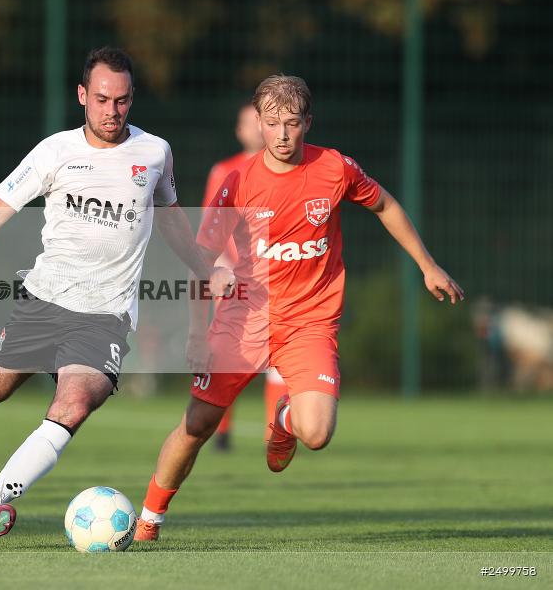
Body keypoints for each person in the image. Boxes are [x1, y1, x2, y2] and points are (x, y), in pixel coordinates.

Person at [0, 47, 216, 547]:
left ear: (132, 98)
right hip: (43, 301)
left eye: (122, 100)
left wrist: (205, 270)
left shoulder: (155, 152)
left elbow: (171, 217)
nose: (112, 111)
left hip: (105, 316)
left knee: (73, 404)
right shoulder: (54, 151)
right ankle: (52, 361)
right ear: (81, 96)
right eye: (102, 99)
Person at [135, 74, 464, 541]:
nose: (283, 134)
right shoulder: (238, 182)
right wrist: (195, 334)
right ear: (258, 123)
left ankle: (283, 421)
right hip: (243, 321)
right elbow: (200, 262)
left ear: (308, 122)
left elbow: (385, 205)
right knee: (198, 424)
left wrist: (427, 265)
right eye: (272, 123)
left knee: (318, 434)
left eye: (292, 123)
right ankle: (149, 519)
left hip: (310, 323)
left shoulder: (334, 168)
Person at [202, 100, 287, 451]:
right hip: (237, 282)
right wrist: (222, 269)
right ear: (240, 130)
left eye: (262, 120)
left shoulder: (285, 171)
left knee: (279, 359)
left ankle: (275, 434)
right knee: (228, 357)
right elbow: (211, 227)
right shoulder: (225, 171)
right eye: (250, 121)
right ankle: (222, 432)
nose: (257, 127)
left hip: (277, 281)